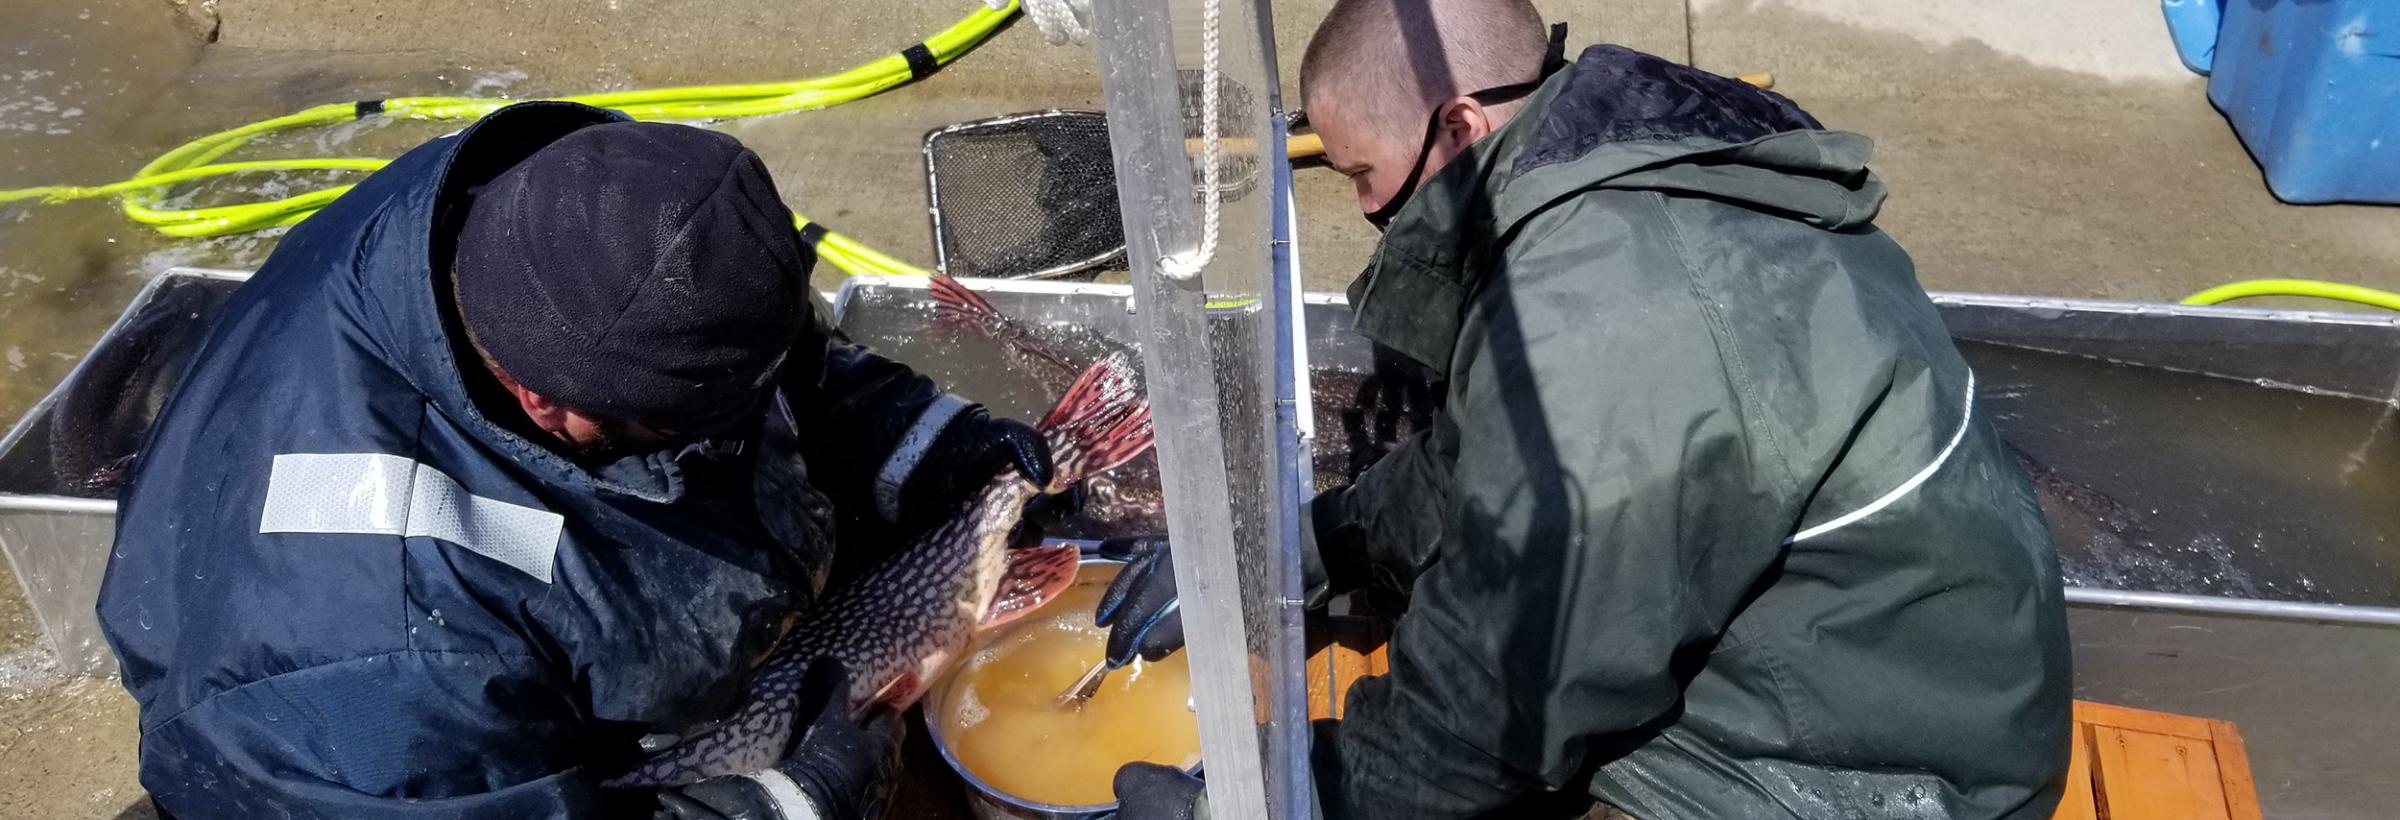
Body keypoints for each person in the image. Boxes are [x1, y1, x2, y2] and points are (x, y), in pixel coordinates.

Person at [1100, 1, 2074, 817]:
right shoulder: (1621, 182)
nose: (1362, 208)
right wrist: (1298, 548)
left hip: (1872, 779)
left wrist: (1253, 797)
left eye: (1362, 175)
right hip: (1863, 682)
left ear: (1458, 129)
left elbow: (1479, 722)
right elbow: (1477, 465)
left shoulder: (1598, 328)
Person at [96, 103, 1058, 819]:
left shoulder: (568, 212)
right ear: (544, 401)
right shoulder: (383, 655)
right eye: (681, 421)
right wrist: (783, 805)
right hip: (356, 766)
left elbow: (774, 368)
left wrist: (940, 449)